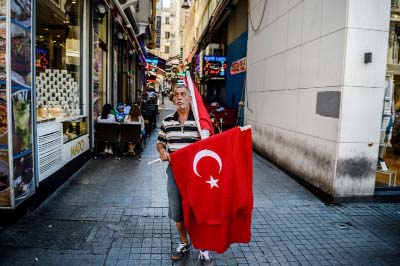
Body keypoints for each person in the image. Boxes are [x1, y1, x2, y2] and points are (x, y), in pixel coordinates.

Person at [157, 84, 213, 264]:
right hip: (174, 174)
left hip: (196, 176)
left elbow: (210, 146)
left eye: (183, 94)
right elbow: (160, 142)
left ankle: (204, 248)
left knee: (199, 212)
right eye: (176, 95)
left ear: (190, 98)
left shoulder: (199, 123)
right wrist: (161, 152)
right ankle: (184, 243)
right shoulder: (167, 122)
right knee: (177, 211)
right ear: (173, 99)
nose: (179, 97)